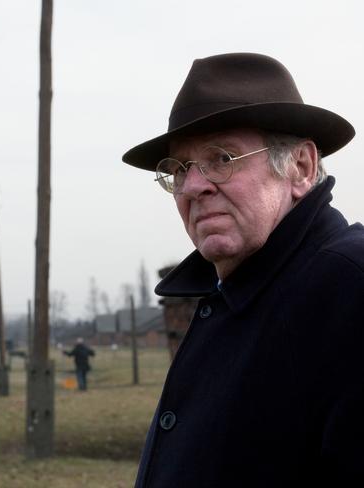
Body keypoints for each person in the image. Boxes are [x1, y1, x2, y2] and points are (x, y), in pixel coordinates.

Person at [122, 53, 364, 487]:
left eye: (223, 157)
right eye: (179, 170)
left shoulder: (350, 286)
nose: (193, 186)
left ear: (300, 168)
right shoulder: (232, 293)